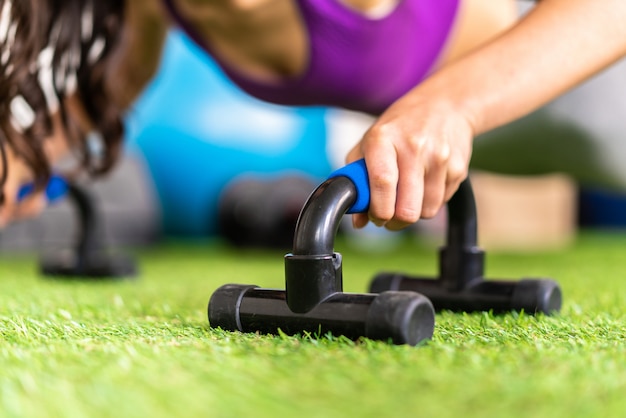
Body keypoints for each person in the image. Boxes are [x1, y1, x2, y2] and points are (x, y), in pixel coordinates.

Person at [3, 0, 626, 234]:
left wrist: (450, 102)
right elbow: (114, 85)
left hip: (584, 88)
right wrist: (28, 152)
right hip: (460, 141)